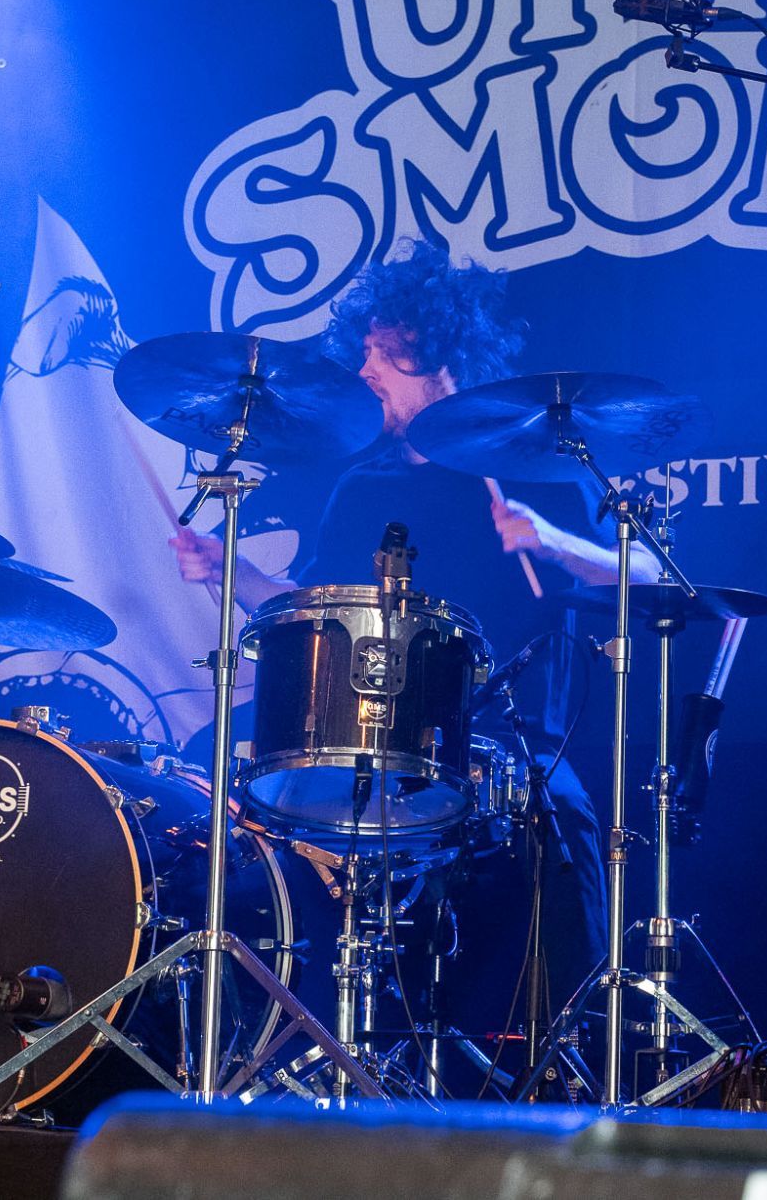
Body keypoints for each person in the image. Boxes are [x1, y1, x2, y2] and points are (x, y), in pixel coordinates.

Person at [171, 238, 658, 1083]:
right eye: (363, 350)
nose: (364, 369)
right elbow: (313, 614)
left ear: (439, 357)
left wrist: (551, 540)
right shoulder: (363, 486)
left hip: (509, 744)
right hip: (371, 741)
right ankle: (295, 1048)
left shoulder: (532, 467)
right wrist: (230, 569)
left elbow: (646, 573)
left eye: (383, 352)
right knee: (232, 780)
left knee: (568, 824)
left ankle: (568, 1072)